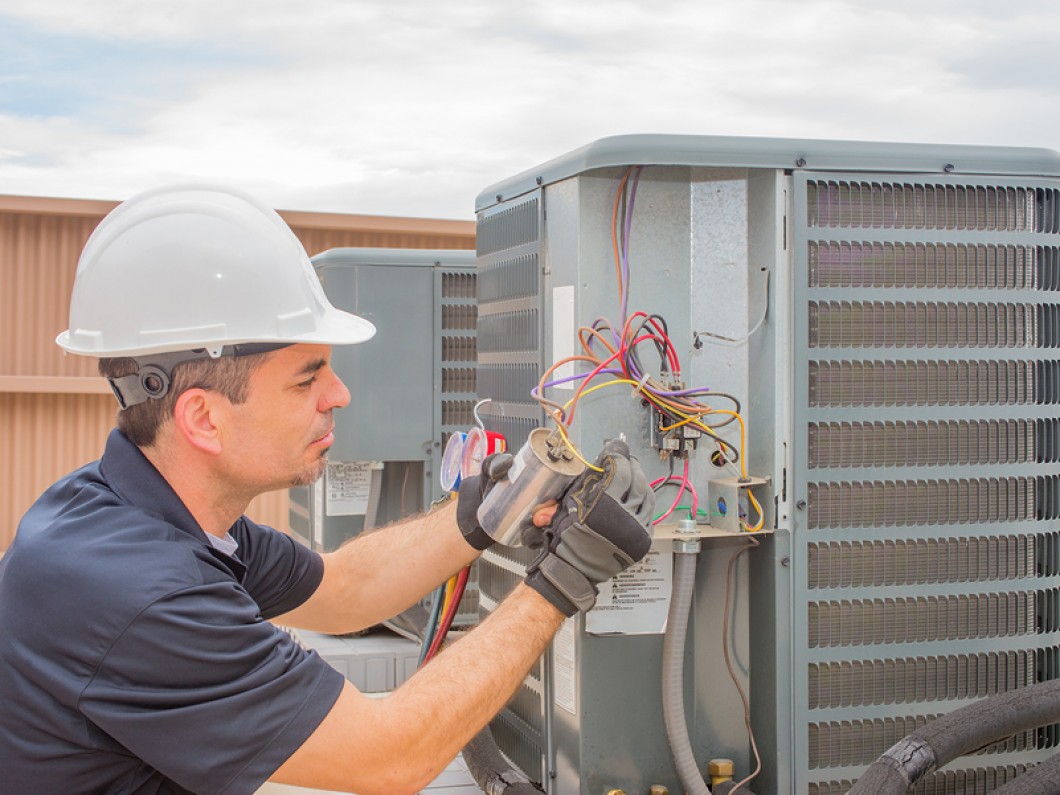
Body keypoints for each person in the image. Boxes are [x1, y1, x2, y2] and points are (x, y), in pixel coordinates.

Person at [0, 184, 655, 795]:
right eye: (306, 379)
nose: (338, 395)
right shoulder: (139, 592)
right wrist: (564, 580)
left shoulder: (145, 512)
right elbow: (388, 754)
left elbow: (343, 589)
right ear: (203, 417)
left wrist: (483, 513)